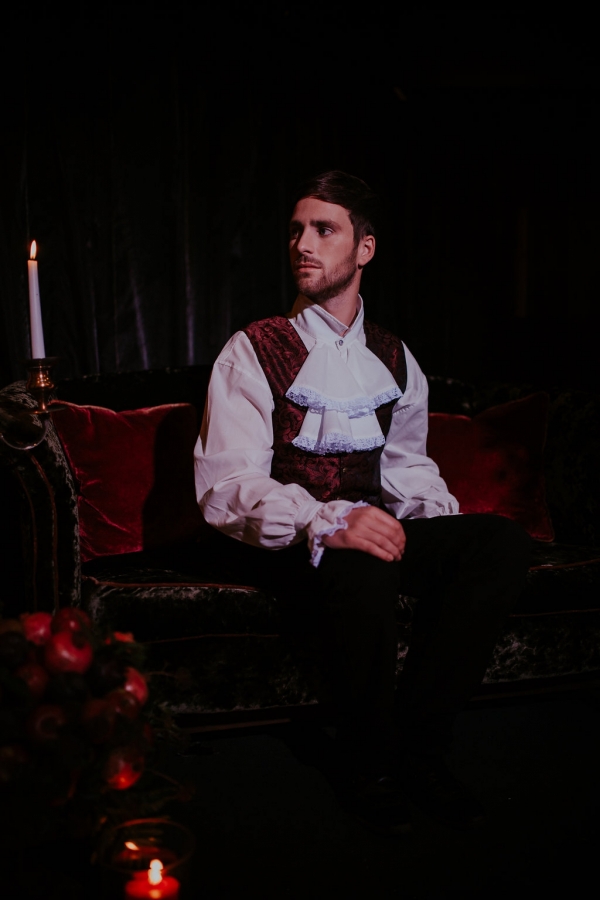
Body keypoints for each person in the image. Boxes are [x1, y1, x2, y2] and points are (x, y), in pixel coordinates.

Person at [194, 170, 531, 836]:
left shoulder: (394, 356)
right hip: (288, 542)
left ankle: (421, 749)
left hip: (367, 531)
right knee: (361, 562)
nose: (303, 244)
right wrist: (325, 520)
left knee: (498, 543)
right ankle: (367, 765)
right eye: (296, 230)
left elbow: (407, 465)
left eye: (324, 230)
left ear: (365, 248)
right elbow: (227, 484)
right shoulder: (253, 349)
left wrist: (428, 532)